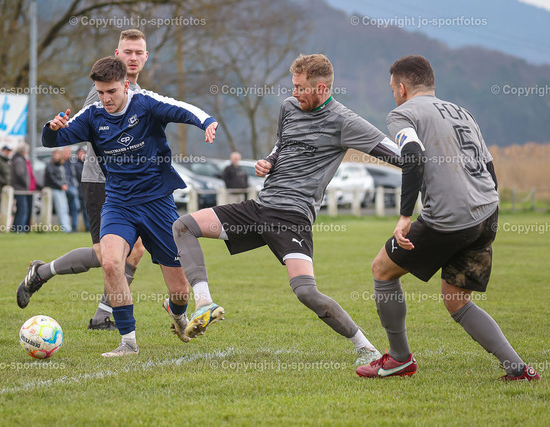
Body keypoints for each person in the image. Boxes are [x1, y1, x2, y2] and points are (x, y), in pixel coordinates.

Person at [172, 54, 401, 365]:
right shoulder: (289, 107)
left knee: (306, 292)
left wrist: (429, 167)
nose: (294, 93)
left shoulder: (345, 121)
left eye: (300, 88)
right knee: (184, 226)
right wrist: (269, 162)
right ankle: (204, 304)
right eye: (293, 86)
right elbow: (281, 145)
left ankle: (366, 347)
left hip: (291, 218)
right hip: (260, 207)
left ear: (321, 88)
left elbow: (397, 154)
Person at [355, 54, 540, 381]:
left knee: (382, 270)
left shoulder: (403, 113)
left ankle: (399, 359)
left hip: (450, 217)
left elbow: (412, 155)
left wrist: (404, 216)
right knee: (457, 300)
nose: (393, 94)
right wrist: (483, 211)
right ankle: (519, 369)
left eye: (392, 88)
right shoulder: (463, 112)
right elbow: (489, 166)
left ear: (401, 88)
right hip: (487, 212)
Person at [36, 56, 218, 357]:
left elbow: (184, 109)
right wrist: (52, 128)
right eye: (100, 92)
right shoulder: (92, 115)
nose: (106, 98)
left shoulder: (146, 104)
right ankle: (128, 342)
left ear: (126, 85)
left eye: (112, 91)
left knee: (179, 290)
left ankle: (176, 312)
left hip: (157, 203)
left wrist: (207, 122)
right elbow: (53, 139)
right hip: (118, 203)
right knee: (110, 263)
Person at [16, 29, 149, 331]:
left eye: (138, 52)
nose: (132, 57)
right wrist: (57, 129)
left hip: (128, 185)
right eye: (127, 51)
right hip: (100, 182)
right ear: (117, 54)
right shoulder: (104, 88)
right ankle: (41, 272)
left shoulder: (138, 91)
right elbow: (85, 127)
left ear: (145, 57)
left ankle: (102, 316)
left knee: (136, 249)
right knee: (107, 255)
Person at [44, 149, 72, 233]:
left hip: (62, 190)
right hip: (55, 189)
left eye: (58, 155)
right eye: (55, 155)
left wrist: (66, 184)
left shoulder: (61, 166)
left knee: (65, 208)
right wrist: (61, 185)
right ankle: (65, 229)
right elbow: (51, 178)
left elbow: (65, 177)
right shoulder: (50, 166)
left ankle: (68, 227)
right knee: (60, 209)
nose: (56, 156)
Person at [11, 143, 32, 233]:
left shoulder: (17, 159)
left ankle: (16, 229)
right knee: (23, 210)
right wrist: (26, 183)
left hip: (20, 188)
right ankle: (20, 229)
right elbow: (20, 173)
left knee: (20, 210)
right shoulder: (19, 160)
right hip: (20, 189)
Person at [62, 146, 81, 232]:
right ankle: (66, 228)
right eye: (65, 152)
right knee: (65, 208)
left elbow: (76, 175)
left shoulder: (73, 163)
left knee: (75, 207)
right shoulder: (60, 163)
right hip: (63, 187)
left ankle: (74, 227)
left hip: (72, 186)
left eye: (67, 153)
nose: (66, 154)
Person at [74, 147, 90, 231]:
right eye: (80, 153)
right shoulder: (75, 164)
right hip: (79, 190)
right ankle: (74, 227)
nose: (82, 154)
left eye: (83, 152)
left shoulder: (88, 163)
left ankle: (88, 227)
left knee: (87, 210)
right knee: (77, 209)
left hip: (86, 190)